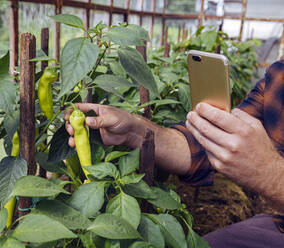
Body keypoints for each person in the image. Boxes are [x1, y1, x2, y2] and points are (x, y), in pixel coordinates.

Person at [65, 60, 284, 247]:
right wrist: (136, 131)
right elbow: (201, 148)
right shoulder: (279, 76)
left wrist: (271, 174)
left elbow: (269, 172)